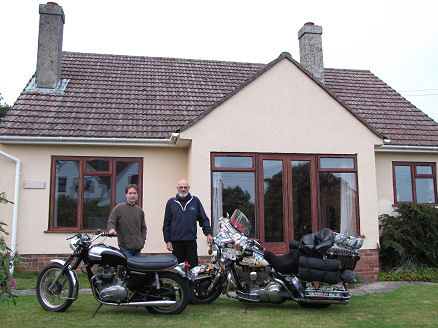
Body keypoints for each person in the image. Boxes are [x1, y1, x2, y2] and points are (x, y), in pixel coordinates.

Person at [163, 179, 213, 267]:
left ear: (189, 188)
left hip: (191, 242)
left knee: (194, 269)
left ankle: (192, 282)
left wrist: (208, 233)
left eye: (185, 187)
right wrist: (168, 241)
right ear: (177, 188)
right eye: (181, 187)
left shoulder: (195, 201)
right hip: (176, 242)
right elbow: (166, 224)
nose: (183, 189)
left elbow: (203, 219)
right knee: (179, 270)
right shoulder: (171, 202)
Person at [108, 184, 147, 258]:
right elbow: (111, 222)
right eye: (130, 193)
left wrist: (142, 241)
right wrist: (111, 229)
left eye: (134, 193)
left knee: (136, 269)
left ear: (137, 195)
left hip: (138, 248)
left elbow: (143, 228)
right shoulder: (119, 208)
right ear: (126, 195)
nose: (132, 195)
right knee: (128, 268)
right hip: (125, 248)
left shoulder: (140, 211)